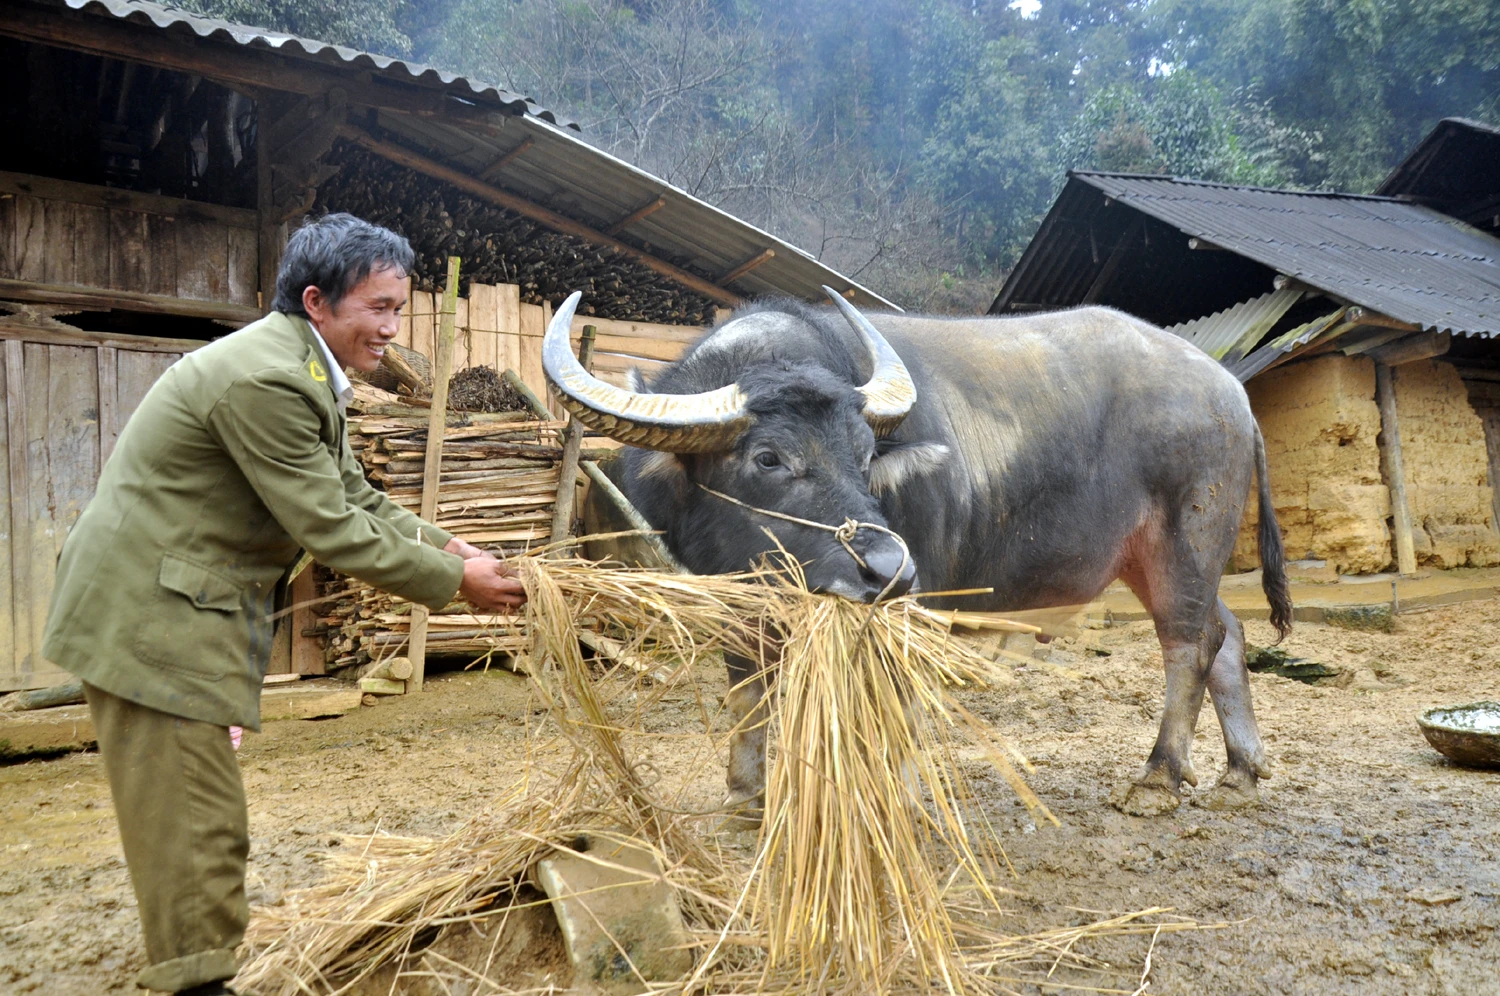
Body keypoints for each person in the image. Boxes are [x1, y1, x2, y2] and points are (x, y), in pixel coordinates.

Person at [41, 214, 526, 995]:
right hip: (150, 616)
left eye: (398, 309)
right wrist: (456, 586)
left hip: (177, 609)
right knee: (194, 823)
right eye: (379, 309)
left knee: (196, 814)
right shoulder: (267, 379)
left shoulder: (300, 367)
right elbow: (331, 528)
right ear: (317, 301)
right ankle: (199, 982)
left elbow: (356, 494)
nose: (392, 331)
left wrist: (452, 548)